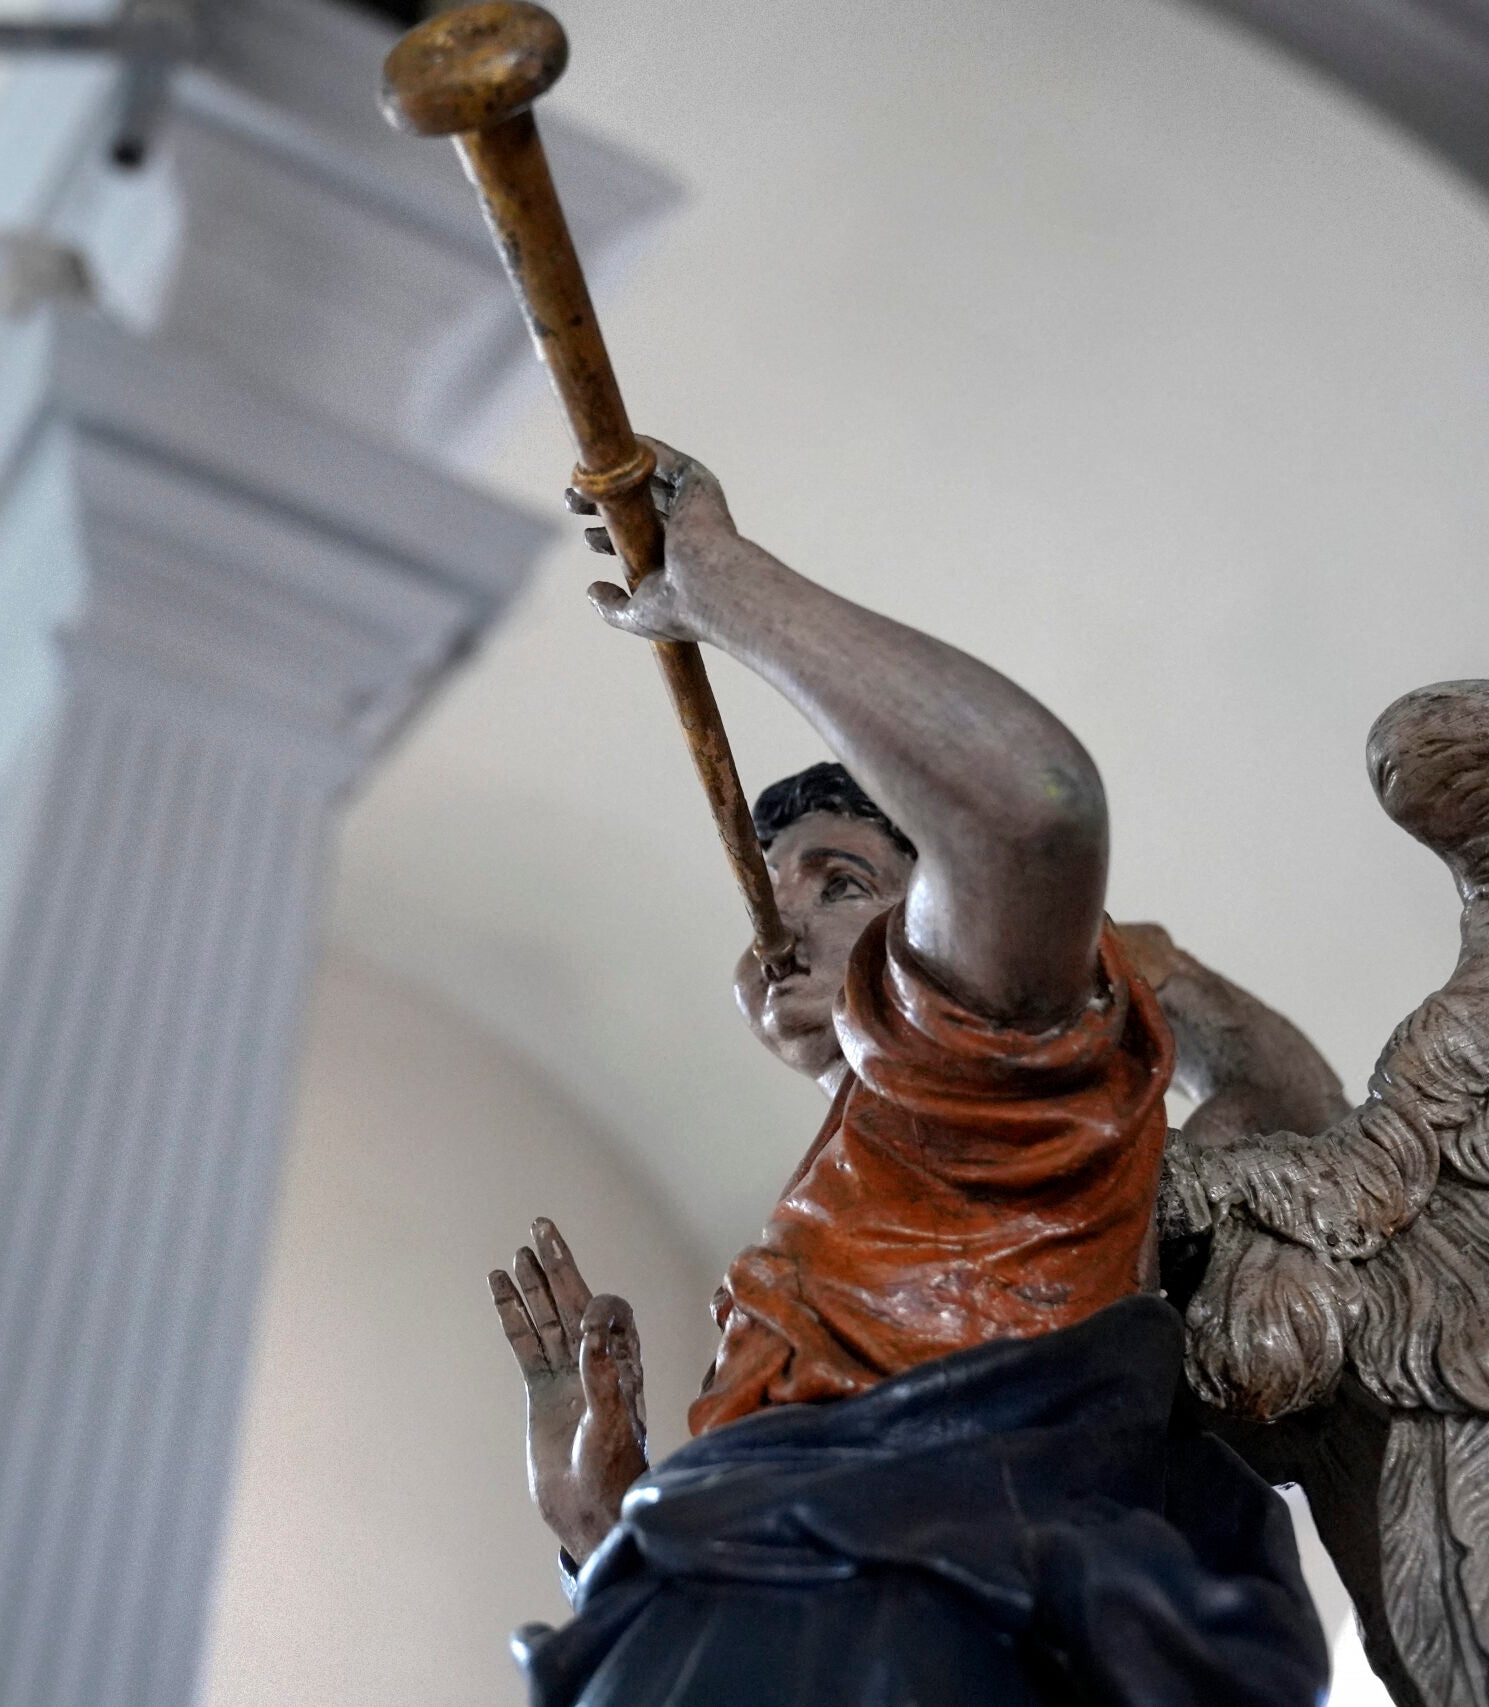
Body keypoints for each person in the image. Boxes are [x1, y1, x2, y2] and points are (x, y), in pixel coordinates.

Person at [486, 442, 1340, 1706]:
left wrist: (719, 586)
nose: (774, 925)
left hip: (895, 1618)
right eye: (765, 889)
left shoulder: (979, 1070)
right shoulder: (879, 1157)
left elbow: (1033, 809)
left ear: (939, 923)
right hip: (722, 1626)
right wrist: (599, 1520)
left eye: (840, 883)